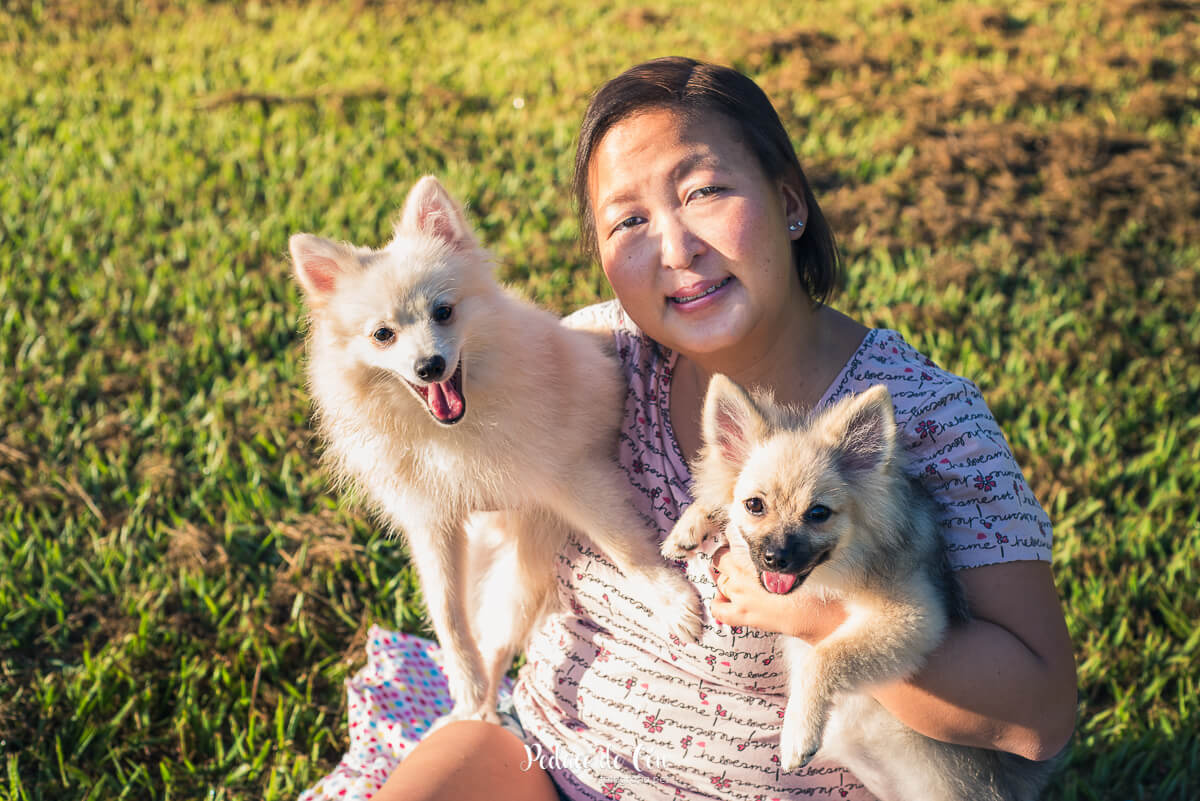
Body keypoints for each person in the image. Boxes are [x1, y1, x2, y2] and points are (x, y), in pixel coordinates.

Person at [373, 57, 1076, 801]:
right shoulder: (592, 358)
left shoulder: (924, 419)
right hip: (548, 763)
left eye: (703, 191)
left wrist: (817, 612)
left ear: (790, 202)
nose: (676, 249)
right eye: (629, 221)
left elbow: (1038, 717)